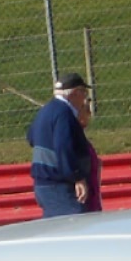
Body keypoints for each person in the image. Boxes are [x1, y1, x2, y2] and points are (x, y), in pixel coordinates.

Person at [27, 73, 93, 216]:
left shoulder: (45, 110)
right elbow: (64, 147)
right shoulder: (64, 114)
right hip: (58, 185)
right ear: (75, 93)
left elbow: (31, 137)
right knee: (75, 225)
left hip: (42, 184)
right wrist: (77, 177)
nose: (84, 98)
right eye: (84, 93)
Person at [72, 87, 102, 212]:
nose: (89, 114)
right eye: (86, 110)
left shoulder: (82, 139)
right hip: (85, 198)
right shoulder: (75, 139)